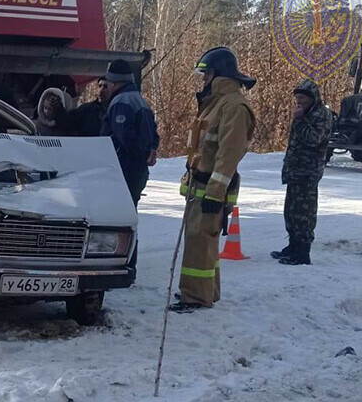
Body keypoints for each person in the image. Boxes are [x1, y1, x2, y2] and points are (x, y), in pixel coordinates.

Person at [172, 47, 256, 313]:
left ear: (218, 74)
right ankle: (207, 292)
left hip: (211, 187)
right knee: (202, 241)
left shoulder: (233, 106)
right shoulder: (216, 103)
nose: (203, 79)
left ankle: (195, 297)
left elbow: (228, 154)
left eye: (206, 74)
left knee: (201, 241)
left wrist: (215, 192)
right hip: (201, 184)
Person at [272, 79, 333, 265]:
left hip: (308, 172)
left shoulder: (321, 115)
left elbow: (313, 139)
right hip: (295, 170)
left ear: (312, 98)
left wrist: (299, 120)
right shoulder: (304, 114)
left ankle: (302, 252)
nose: (299, 101)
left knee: (303, 214)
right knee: (291, 211)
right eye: (297, 98)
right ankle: (293, 246)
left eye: (303, 98)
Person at [102, 59, 160, 207]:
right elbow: (154, 134)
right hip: (139, 171)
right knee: (128, 214)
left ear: (115, 82)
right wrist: (149, 152)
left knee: (117, 215)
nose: (106, 87)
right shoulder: (141, 101)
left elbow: (125, 137)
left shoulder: (121, 102)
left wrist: (142, 154)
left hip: (123, 170)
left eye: (107, 82)